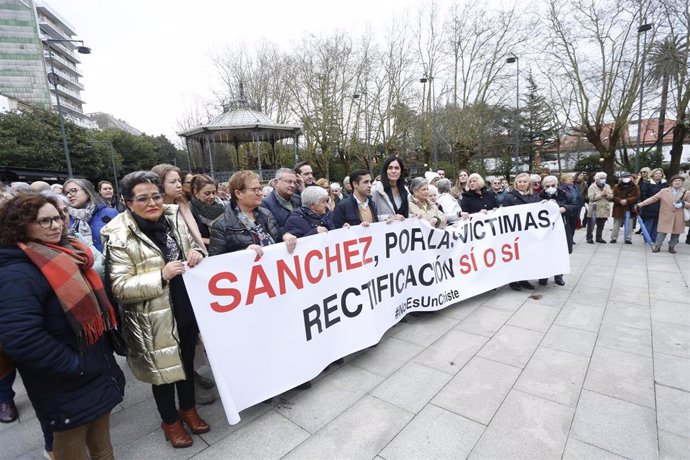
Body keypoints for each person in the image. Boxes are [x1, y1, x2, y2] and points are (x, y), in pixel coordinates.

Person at [0, 194, 124, 459]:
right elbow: (21, 337)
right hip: (64, 382)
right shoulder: (16, 273)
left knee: (103, 449)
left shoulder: (70, 253)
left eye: (57, 218)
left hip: (94, 370)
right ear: (21, 225)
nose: (55, 225)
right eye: (44, 221)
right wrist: (74, 366)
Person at [101, 171, 209, 449]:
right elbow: (119, 287)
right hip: (150, 318)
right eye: (143, 198)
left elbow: (194, 248)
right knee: (162, 374)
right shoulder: (118, 233)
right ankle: (170, 421)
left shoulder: (173, 215)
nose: (152, 203)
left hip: (184, 305)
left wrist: (197, 253)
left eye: (156, 196)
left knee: (185, 363)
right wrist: (161, 275)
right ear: (127, 202)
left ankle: (189, 409)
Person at [209, 170, 298, 258]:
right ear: (238, 194)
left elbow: (278, 236)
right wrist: (244, 254)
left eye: (260, 189)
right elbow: (216, 261)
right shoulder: (221, 226)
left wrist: (286, 236)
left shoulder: (266, 214)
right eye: (254, 190)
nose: (260, 193)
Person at [502, 173, 540, 291]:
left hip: (529, 233)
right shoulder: (509, 197)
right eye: (520, 182)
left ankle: (524, 280)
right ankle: (513, 281)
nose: (522, 184)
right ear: (516, 183)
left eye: (525, 182)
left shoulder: (535, 197)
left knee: (527, 257)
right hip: (515, 233)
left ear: (529, 184)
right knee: (515, 257)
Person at [538, 175, 576, 287]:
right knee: (544, 253)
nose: (550, 187)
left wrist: (565, 208)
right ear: (543, 187)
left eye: (553, 185)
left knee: (560, 252)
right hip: (545, 231)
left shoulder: (565, 194)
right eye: (547, 186)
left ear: (557, 185)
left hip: (562, 228)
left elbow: (575, 206)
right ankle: (543, 276)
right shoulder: (539, 196)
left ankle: (558, 276)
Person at [637, 175, 690, 253]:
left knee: (676, 233)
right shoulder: (664, 191)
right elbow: (653, 198)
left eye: (679, 181)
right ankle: (657, 246)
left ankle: (672, 246)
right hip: (666, 215)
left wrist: (683, 203)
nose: (677, 182)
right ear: (671, 183)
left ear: (682, 183)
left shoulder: (687, 192)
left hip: (679, 216)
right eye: (675, 181)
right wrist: (641, 204)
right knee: (662, 232)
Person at [63, 178, 118, 253]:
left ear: (87, 191)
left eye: (73, 191)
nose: (69, 195)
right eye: (66, 193)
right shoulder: (64, 218)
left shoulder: (110, 213)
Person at [189, 174, 225, 248]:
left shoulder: (223, 206)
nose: (212, 196)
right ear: (196, 193)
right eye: (207, 193)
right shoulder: (188, 210)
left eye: (214, 193)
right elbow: (189, 238)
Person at [261, 168, 302, 232]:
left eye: (295, 182)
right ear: (276, 183)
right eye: (289, 181)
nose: (293, 185)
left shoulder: (298, 199)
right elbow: (272, 231)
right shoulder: (265, 204)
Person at [371, 156, 409, 221]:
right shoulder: (376, 190)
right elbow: (370, 216)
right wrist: (388, 217)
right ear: (385, 171)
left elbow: (406, 214)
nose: (393, 171)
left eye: (397, 168)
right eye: (390, 168)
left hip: (403, 230)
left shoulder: (406, 190)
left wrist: (414, 216)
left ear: (401, 171)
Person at [638, 168, 668, 243]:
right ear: (653, 175)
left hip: (661, 207)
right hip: (649, 207)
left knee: (657, 225)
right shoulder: (647, 183)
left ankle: (654, 239)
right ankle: (647, 239)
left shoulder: (665, 184)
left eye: (660, 173)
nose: (658, 175)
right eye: (656, 173)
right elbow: (643, 195)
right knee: (649, 224)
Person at [610, 172, 640, 244]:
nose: (626, 178)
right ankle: (614, 237)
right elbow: (613, 196)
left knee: (629, 224)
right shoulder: (617, 187)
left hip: (629, 208)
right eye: (624, 177)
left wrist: (627, 200)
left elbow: (637, 196)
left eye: (627, 177)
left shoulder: (635, 187)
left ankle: (628, 238)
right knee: (616, 224)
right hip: (618, 208)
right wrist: (620, 201)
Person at [586, 172, 613, 244]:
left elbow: (611, 196)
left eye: (604, 178)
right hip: (594, 208)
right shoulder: (592, 187)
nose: (603, 180)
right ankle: (589, 238)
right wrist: (601, 194)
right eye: (601, 178)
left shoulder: (607, 186)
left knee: (601, 225)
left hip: (604, 208)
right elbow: (591, 198)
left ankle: (599, 237)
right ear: (597, 179)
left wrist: (606, 195)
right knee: (591, 224)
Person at [559, 173, 581, 243]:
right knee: (567, 225)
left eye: (572, 178)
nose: (571, 180)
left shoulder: (575, 187)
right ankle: (567, 239)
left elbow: (578, 197)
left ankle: (571, 238)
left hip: (575, 208)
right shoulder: (561, 189)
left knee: (573, 225)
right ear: (564, 181)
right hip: (567, 209)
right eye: (569, 179)